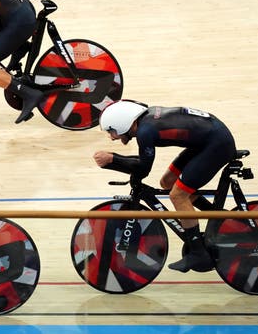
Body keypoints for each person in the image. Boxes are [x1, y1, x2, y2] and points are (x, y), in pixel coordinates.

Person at [93, 100, 237, 273]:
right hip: (208, 139)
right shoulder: (146, 119)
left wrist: (113, 160)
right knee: (167, 182)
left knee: (178, 195)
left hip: (216, 144)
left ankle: (198, 253)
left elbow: (143, 169)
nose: (112, 137)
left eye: (112, 131)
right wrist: (114, 159)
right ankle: (219, 218)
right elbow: (141, 163)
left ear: (122, 123)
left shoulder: (145, 131)